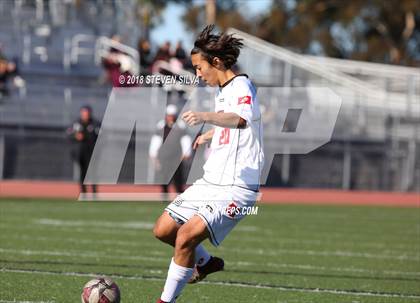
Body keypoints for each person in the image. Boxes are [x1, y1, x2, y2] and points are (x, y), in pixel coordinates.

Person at [154, 25, 264, 303]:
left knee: (185, 239)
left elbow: (240, 119)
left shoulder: (241, 85)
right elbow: (233, 120)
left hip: (236, 188)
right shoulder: (224, 90)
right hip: (211, 181)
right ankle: (204, 263)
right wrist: (211, 133)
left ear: (216, 62)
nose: (198, 74)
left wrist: (206, 117)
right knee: (164, 229)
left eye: (199, 67)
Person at [149, 104, 192, 200]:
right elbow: (156, 141)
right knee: (164, 179)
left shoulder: (180, 126)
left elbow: (185, 141)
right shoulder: (161, 126)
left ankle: (180, 200)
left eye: (172, 115)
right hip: (164, 157)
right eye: (169, 115)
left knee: (178, 180)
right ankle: (164, 198)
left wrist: (186, 153)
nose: (170, 118)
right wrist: (153, 155)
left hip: (176, 158)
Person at [67, 105, 100, 195]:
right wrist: (75, 136)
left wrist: (86, 136)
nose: (86, 114)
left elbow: (101, 137)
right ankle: (83, 192)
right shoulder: (76, 123)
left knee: (93, 173)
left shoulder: (95, 124)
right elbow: (69, 135)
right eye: (84, 113)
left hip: (92, 152)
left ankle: (94, 193)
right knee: (82, 172)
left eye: (87, 113)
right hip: (80, 152)